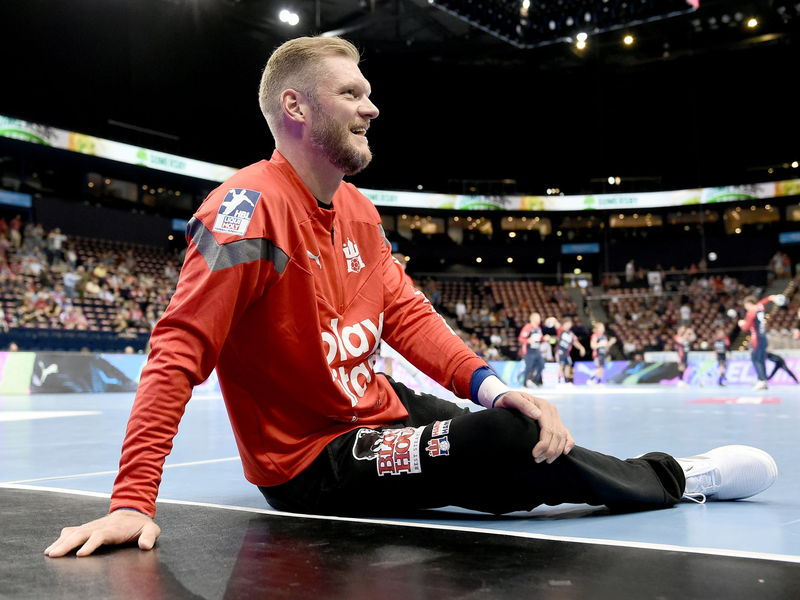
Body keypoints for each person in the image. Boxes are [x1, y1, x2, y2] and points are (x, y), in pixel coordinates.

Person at [44, 36, 778, 559]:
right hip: (311, 462)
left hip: (382, 406)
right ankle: (683, 477)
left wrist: (490, 385)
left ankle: (664, 475)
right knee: (504, 444)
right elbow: (178, 350)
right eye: (354, 93)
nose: (373, 108)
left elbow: (406, 313)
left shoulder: (358, 210)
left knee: (507, 423)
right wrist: (133, 500)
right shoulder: (245, 210)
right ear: (296, 107)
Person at [739, 295, 780, 391]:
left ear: (749, 304)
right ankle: (763, 381)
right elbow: (764, 301)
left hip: (756, 339)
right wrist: (771, 297)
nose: (746, 309)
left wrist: (741, 324)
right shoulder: (759, 307)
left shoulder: (751, 312)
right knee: (761, 360)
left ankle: (761, 380)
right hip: (763, 338)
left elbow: (746, 328)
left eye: (746, 306)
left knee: (756, 359)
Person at [553, 317, 586, 384]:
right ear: (564, 323)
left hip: (566, 352)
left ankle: (567, 382)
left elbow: (575, 342)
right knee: (561, 365)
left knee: (568, 364)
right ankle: (558, 382)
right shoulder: (560, 329)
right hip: (560, 351)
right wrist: (551, 319)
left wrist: (581, 348)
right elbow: (555, 322)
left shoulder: (571, 334)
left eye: (569, 324)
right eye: (567, 323)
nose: (568, 325)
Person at [517, 311, 547, 387]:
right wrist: (528, 340)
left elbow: (540, 340)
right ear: (533, 318)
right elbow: (521, 338)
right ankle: (524, 384)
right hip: (529, 351)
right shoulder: (528, 327)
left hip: (537, 350)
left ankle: (534, 380)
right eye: (538, 317)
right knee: (529, 367)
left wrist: (544, 339)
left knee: (541, 365)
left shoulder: (539, 328)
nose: (540, 319)